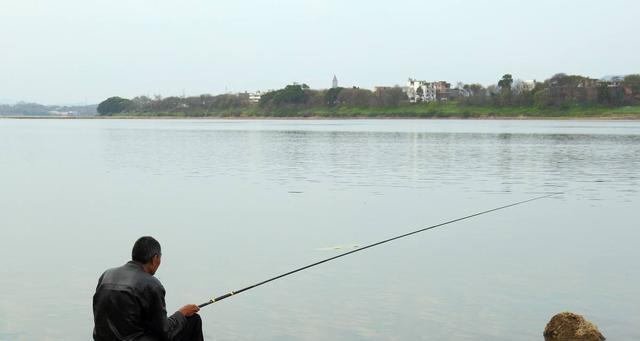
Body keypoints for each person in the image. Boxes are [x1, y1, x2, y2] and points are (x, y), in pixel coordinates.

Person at [93, 236, 204, 341]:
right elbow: (165, 333)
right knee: (193, 320)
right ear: (155, 258)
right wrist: (182, 313)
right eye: (160, 258)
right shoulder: (151, 284)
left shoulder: (106, 275)